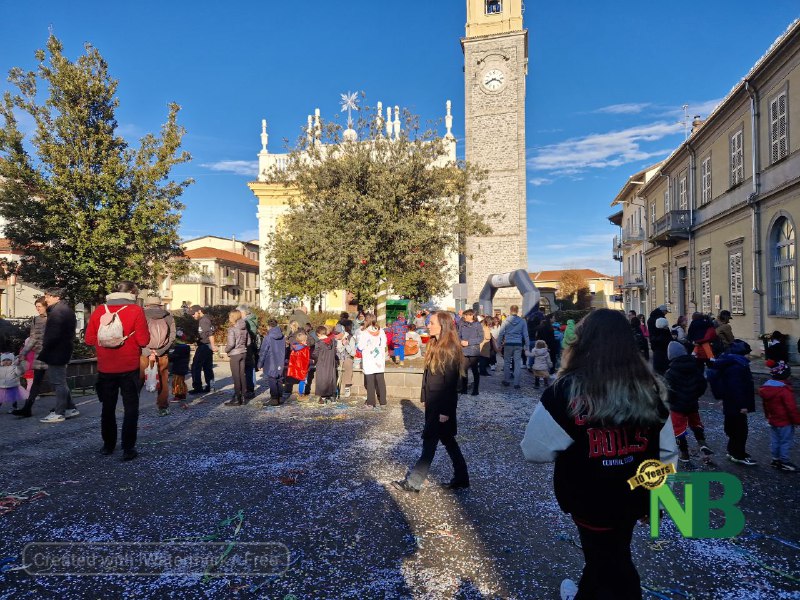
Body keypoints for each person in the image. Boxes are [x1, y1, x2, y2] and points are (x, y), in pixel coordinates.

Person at [520, 309, 677, 600]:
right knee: (609, 555)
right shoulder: (650, 388)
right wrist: (657, 499)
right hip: (633, 498)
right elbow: (667, 452)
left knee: (611, 562)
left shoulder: (565, 390)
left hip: (588, 498)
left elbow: (534, 449)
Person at [393, 311, 469, 493]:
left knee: (430, 442)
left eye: (432, 322)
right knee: (448, 441)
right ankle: (462, 478)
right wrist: (425, 398)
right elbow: (430, 377)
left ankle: (413, 482)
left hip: (441, 406)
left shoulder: (449, 348)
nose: (428, 325)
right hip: (434, 403)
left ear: (442, 325)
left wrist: (445, 411)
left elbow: (451, 384)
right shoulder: (436, 344)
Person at [84, 281, 150, 461]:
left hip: (105, 367)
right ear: (133, 293)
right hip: (129, 366)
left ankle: (108, 445)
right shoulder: (136, 310)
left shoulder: (100, 310)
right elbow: (144, 341)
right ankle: (128, 448)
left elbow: (89, 339)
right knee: (130, 408)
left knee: (107, 407)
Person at [706, 340, 757, 466]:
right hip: (736, 404)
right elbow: (737, 388)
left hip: (729, 402)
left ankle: (732, 451)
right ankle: (738, 454)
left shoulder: (730, 363)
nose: (749, 356)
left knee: (732, 428)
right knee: (740, 430)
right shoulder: (738, 367)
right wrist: (743, 405)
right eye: (747, 353)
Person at [664, 341, 712, 464]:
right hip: (692, 403)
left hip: (677, 406)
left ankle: (684, 453)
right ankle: (702, 442)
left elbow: (667, 391)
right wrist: (695, 395)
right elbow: (702, 384)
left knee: (678, 430)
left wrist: (670, 400)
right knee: (696, 423)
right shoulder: (694, 367)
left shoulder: (670, 372)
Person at [37, 287, 80, 424]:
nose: (46, 299)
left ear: (57, 297)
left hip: (57, 350)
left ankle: (59, 412)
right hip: (62, 349)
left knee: (58, 382)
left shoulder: (57, 312)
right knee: (60, 380)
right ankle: (70, 408)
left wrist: (45, 347)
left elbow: (53, 335)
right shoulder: (64, 310)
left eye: (49, 296)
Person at [758, 360, 799, 472]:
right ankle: (784, 462)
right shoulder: (784, 390)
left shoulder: (767, 388)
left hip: (773, 420)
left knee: (775, 440)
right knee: (785, 441)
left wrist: (768, 416)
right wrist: (797, 421)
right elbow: (791, 408)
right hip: (785, 421)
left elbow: (765, 405)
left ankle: (775, 459)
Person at [140, 294, 175, 416]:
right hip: (162, 353)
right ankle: (163, 407)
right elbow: (172, 337)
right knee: (163, 381)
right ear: (160, 305)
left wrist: (147, 351)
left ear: (147, 305)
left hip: (144, 353)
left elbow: (137, 335)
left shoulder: (141, 315)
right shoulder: (168, 316)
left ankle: (133, 407)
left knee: (138, 380)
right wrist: (159, 351)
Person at [12, 298, 48, 418]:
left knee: (59, 382)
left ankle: (69, 406)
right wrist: (24, 352)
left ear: (46, 306)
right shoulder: (36, 319)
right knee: (36, 382)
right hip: (39, 355)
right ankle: (27, 408)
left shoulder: (54, 318)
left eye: (40, 306)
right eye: (36, 306)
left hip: (52, 354)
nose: (37, 309)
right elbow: (32, 338)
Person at [357, 314, 388, 409]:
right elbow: (384, 344)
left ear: (367, 320)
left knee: (370, 382)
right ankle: (383, 401)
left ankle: (371, 402)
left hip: (369, 360)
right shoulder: (381, 331)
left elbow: (360, 346)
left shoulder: (364, 332)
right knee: (381, 381)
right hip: (379, 359)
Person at [497, 305, 530, 389]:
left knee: (507, 363)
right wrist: (527, 346)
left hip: (508, 343)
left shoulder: (505, 320)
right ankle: (516, 383)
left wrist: (499, 344)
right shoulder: (522, 321)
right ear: (517, 311)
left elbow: (501, 333)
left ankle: (506, 381)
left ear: (510, 310)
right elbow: (525, 335)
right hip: (518, 344)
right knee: (517, 364)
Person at [188, 305, 216, 395]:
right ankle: (210, 386)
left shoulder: (204, 320)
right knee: (207, 367)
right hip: (206, 345)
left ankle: (197, 387)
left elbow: (210, 334)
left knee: (195, 366)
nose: (193, 316)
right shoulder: (205, 319)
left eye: (193, 314)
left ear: (199, 311)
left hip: (205, 346)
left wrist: (213, 346)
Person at [258, 319, 286, 406]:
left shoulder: (268, 337)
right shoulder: (282, 336)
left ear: (269, 326)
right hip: (280, 360)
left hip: (271, 360)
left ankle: (274, 398)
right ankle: (280, 397)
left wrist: (260, 363)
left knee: (272, 379)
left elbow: (263, 351)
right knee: (279, 378)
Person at [224, 310, 248, 406]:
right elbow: (248, 342)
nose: (229, 318)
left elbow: (231, 344)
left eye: (230, 316)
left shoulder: (232, 329)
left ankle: (237, 399)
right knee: (242, 375)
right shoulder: (244, 328)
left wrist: (226, 350)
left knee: (236, 377)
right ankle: (243, 397)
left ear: (233, 317)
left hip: (235, 354)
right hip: (243, 352)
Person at [457, 309, 483, 395]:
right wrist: (460, 341)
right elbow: (458, 335)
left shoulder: (478, 325)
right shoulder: (462, 324)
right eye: (464, 315)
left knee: (475, 370)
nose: (464, 317)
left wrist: (469, 342)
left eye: (466, 315)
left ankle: (476, 389)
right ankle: (464, 389)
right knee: (463, 370)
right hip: (463, 350)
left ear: (471, 315)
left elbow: (480, 338)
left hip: (474, 350)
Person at [237, 304, 260, 401]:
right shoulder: (252, 320)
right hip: (250, 347)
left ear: (243, 312)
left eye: (238, 313)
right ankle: (249, 389)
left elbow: (249, 336)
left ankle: (249, 390)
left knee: (248, 368)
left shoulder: (247, 322)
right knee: (249, 368)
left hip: (248, 348)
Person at [312, 325, 338, 404]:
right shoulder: (332, 341)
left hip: (322, 363)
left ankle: (322, 397)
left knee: (322, 380)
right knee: (330, 378)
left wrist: (313, 357)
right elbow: (334, 352)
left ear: (319, 334)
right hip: (330, 363)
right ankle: (331, 396)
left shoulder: (319, 343)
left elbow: (315, 354)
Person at [282, 331, 310, 402]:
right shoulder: (305, 349)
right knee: (303, 381)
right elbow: (306, 359)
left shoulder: (294, 348)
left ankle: (300, 394)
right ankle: (301, 394)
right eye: (305, 340)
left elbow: (292, 358)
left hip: (296, 367)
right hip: (303, 367)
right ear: (303, 341)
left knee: (301, 380)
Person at [168, 329, 190, 403]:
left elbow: (173, 357)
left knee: (176, 382)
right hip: (183, 367)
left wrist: (168, 356)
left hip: (178, 367)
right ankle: (183, 395)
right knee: (181, 381)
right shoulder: (186, 347)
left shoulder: (178, 348)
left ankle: (178, 396)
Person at [335, 323, 357, 398]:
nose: (336, 335)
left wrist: (346, 345)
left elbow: (353, 353)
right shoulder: (334, 339)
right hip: (337, 358)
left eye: (337, 333)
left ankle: (347, 386)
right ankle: (333, 386)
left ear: (342, 332)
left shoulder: (350, 338)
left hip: (347, 357)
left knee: (348, 363)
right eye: (335, 333)